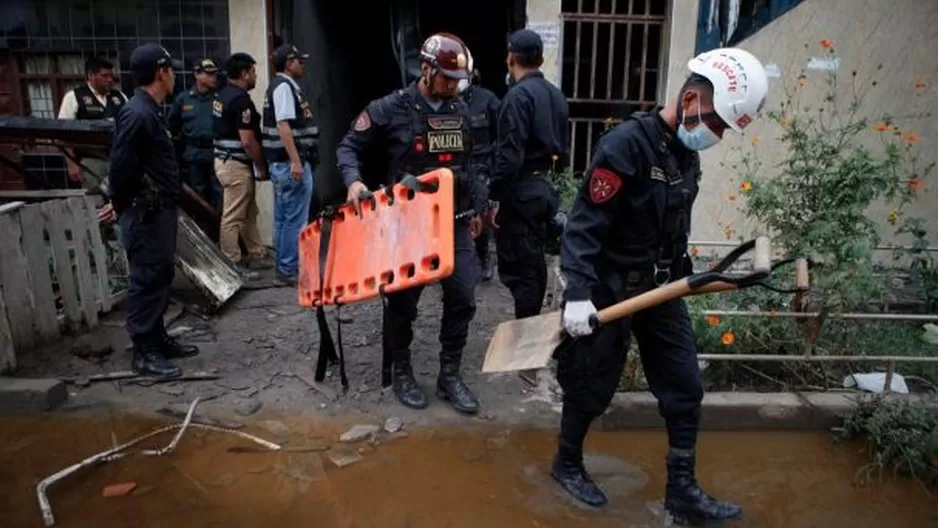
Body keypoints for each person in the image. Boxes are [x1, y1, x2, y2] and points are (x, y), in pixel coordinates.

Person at [553, 47, 769, 523]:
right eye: (716, 124)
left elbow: (673, 225)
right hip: (608, 289)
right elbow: (585, 227)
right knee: (592, 385)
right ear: (690, 99)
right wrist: (577, 295)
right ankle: (566, 463)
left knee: (685, 386)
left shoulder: (683, 155)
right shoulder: (624, 146)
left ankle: (682, 490)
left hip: (663, 289)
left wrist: (689, 273)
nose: (716, 135)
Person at [336, 33, 489, 414]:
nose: (453, 87)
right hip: (409, 226)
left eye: (459, 81)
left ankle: (449, 374)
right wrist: (354, 180)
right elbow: (349, 146)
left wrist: (479, 209)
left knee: (464, 297)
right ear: (426, 69)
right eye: (447, 79)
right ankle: (402, 369)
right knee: (403, 303)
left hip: (454, 222)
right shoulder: (393, 107)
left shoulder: (465, 108)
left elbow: (476, 162)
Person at [96, 44, 200, 378]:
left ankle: (157, 338)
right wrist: (120, 203)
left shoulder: (152, 109)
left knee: (161, 275)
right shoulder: (138, 112)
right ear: (161, 72)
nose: (174, 76)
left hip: (157, 211)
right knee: (146, 278)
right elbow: (121, 167)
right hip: (144, 214)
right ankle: (144, 350)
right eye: (171, 70)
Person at [490, 29, 568, 319]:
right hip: (544, 189)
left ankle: (525, 339)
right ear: (541, 59)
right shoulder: (556, 95)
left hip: (520, 193)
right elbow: (564, 153)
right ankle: (530, 327)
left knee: (522, 272)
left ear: (511, 58)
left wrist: (493, 197)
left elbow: (509, 157)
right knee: (534, 262)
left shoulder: (517, 97)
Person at [261, 44, 318, 286]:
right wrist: (296, 160)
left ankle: (284, 267)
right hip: (289, 164)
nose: (302, 65)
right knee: (294, 218)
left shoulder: (281, 86)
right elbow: (284, 126)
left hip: (282, 164)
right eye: (299, 61)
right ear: (287, 63)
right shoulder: (284, 87)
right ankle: (288, 269)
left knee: (284, 218)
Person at [213, 52, 274, 275]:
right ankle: (232, 264)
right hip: (235, 164)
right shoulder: (240, 100)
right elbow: (248, 142)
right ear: (244, 73)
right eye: (253, 72)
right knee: (233, 215)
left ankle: (256, 253)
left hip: (228, 161)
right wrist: (261, 165)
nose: (256, 77)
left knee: (249, 211)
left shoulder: (222, 95)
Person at [458, 50, 500, 282]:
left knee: (479, 213)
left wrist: (494, 167)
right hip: (451, 168)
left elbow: (502, 135)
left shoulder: (488, 101)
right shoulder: (438, 102)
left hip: (480, 167)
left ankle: (484, 257)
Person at [58, 56, 128, 193]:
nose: (109, 80)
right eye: (104, 76)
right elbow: (62, 133)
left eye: (111, 76)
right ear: (90, 75)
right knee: (95, 200)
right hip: (91, 160)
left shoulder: (119, 96)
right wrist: (71, 164)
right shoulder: (74, 97)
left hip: (118, 158)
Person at [168, 58, 221, 211]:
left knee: (219, 195)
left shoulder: (219, 98)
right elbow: (173, 125)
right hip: (193, 154)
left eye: (214, 74)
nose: (213, 78)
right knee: (197, 195)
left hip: (215, 153)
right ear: (197, 75)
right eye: (209, 74)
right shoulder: (184, 99)